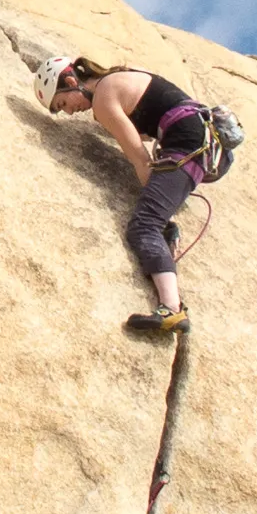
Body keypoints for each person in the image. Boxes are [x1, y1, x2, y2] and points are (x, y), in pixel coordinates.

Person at [39, 54, 205, 335]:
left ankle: (172, 309)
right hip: (202, 139)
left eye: (63, 103)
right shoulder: (122, 74)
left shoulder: (104, 99)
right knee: (155, 220)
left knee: (144, 226)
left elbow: (140, 159)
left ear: (70, 81)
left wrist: (162, 212)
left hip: (187, 143)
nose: (69, 113)